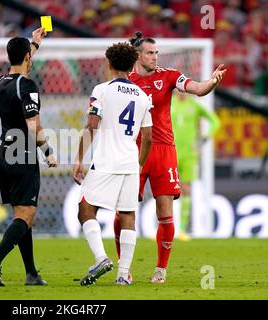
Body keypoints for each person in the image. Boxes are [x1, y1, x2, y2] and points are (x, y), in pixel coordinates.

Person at [113, 32, 226, 284]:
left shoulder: (169, 76)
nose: (155, 57)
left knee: (165, 213)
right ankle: (124, 268)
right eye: (150, 53)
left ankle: (161, 269)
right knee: (123, 213)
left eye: (156, 53)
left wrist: (212, 81)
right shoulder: (124, 82)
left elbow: (198, 89)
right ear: (137, 56)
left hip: (164, 151)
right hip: (134, 152)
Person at [0, 28, 58, 287]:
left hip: (4, 154)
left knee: (22, 215)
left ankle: (31, 273)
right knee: (26, 216)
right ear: (27, 57)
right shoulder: (28, 85)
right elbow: (33, 126)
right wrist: (48, 152)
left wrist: (34, 43)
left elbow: (21, 66)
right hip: (22, 154)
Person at [73, 42, 153, 286]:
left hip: (106, 160)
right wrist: (139, 164)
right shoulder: (142, 96)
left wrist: (79, 159)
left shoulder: (102, 90)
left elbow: (92, 125)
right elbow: (148, 137)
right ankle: (123, 274)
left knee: (85, 208)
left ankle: (100, 258)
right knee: (128, 214)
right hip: (130, 161)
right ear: (132, 66)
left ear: (108, 64)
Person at [171, 91, 220, 240]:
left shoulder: (195, 105)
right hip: (170, 152)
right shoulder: (168, 103)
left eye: (184, 89)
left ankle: (181, 230)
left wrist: (206, 135)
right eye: (179, 88)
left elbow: (215, 121)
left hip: (189, 155)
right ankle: (163, 229)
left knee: (186, 190)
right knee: (164, 192)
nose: (181, 91)